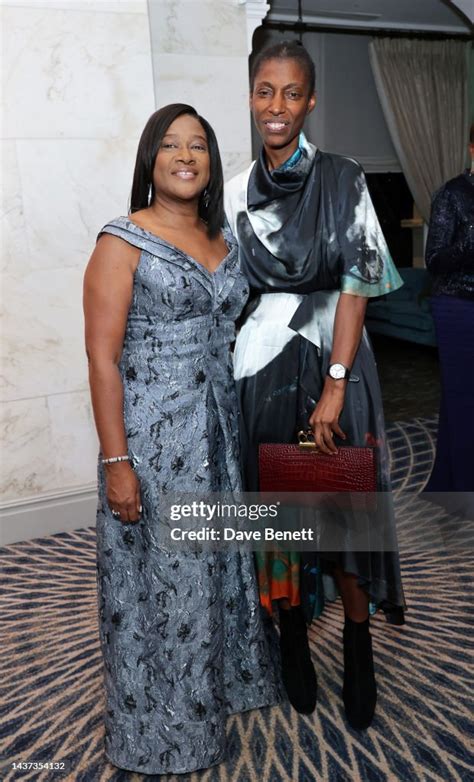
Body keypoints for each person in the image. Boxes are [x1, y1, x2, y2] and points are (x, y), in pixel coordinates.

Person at [83, 103, 282, 776]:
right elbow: (102, 359)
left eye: (198, 144)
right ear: (151, 159)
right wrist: (117, 462)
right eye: (171, 145)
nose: (186, 155)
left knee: (220, 569)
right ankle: (164, 734)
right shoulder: (124, 240)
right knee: (164, 585)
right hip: (155, 439)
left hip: (220, 429)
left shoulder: (222, 235)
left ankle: (220, 688)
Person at [225, 41, 406, 729]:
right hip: (262, 366)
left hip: (337, 356)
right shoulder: (237, 189)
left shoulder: (343, 176)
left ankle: (358, 647)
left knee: (345, 514)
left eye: (292, 92)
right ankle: (293, 641)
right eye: (265, 91)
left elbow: (357, 283)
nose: (278, 106)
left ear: (310, 100)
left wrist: (335, 381)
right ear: (251, 98)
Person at [425, 123, 474, 504]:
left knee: (459, 401)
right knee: (463, 399)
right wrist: (469, 241)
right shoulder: (452, 194)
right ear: (472, 148)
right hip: (456, 306)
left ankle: (446, 485)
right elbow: (435, 260)